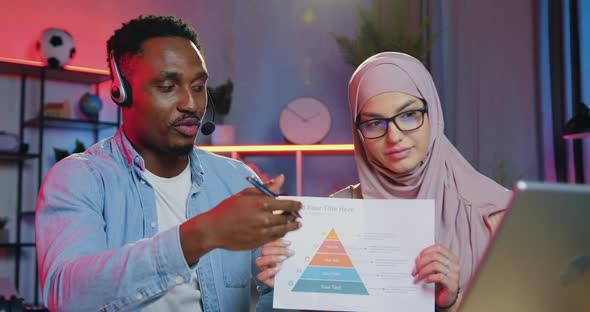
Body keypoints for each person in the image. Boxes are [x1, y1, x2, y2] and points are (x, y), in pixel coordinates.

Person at [35, 15, 301, 312]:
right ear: (120, 91)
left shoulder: (238, 179)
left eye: (198, 86)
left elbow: (272, 294)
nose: (191, 103)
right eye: (167, 86)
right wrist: (203, 234)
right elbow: (66, 295)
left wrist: (295, 278)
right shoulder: (80, 178)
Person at [257, 52, 511, 311]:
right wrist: (290, 287)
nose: (394, 137)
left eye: (409, 115)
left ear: (432, 113)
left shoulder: (493, 216)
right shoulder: (336, 214)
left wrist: (451, 300)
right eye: (374, 123)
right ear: (359, 132)